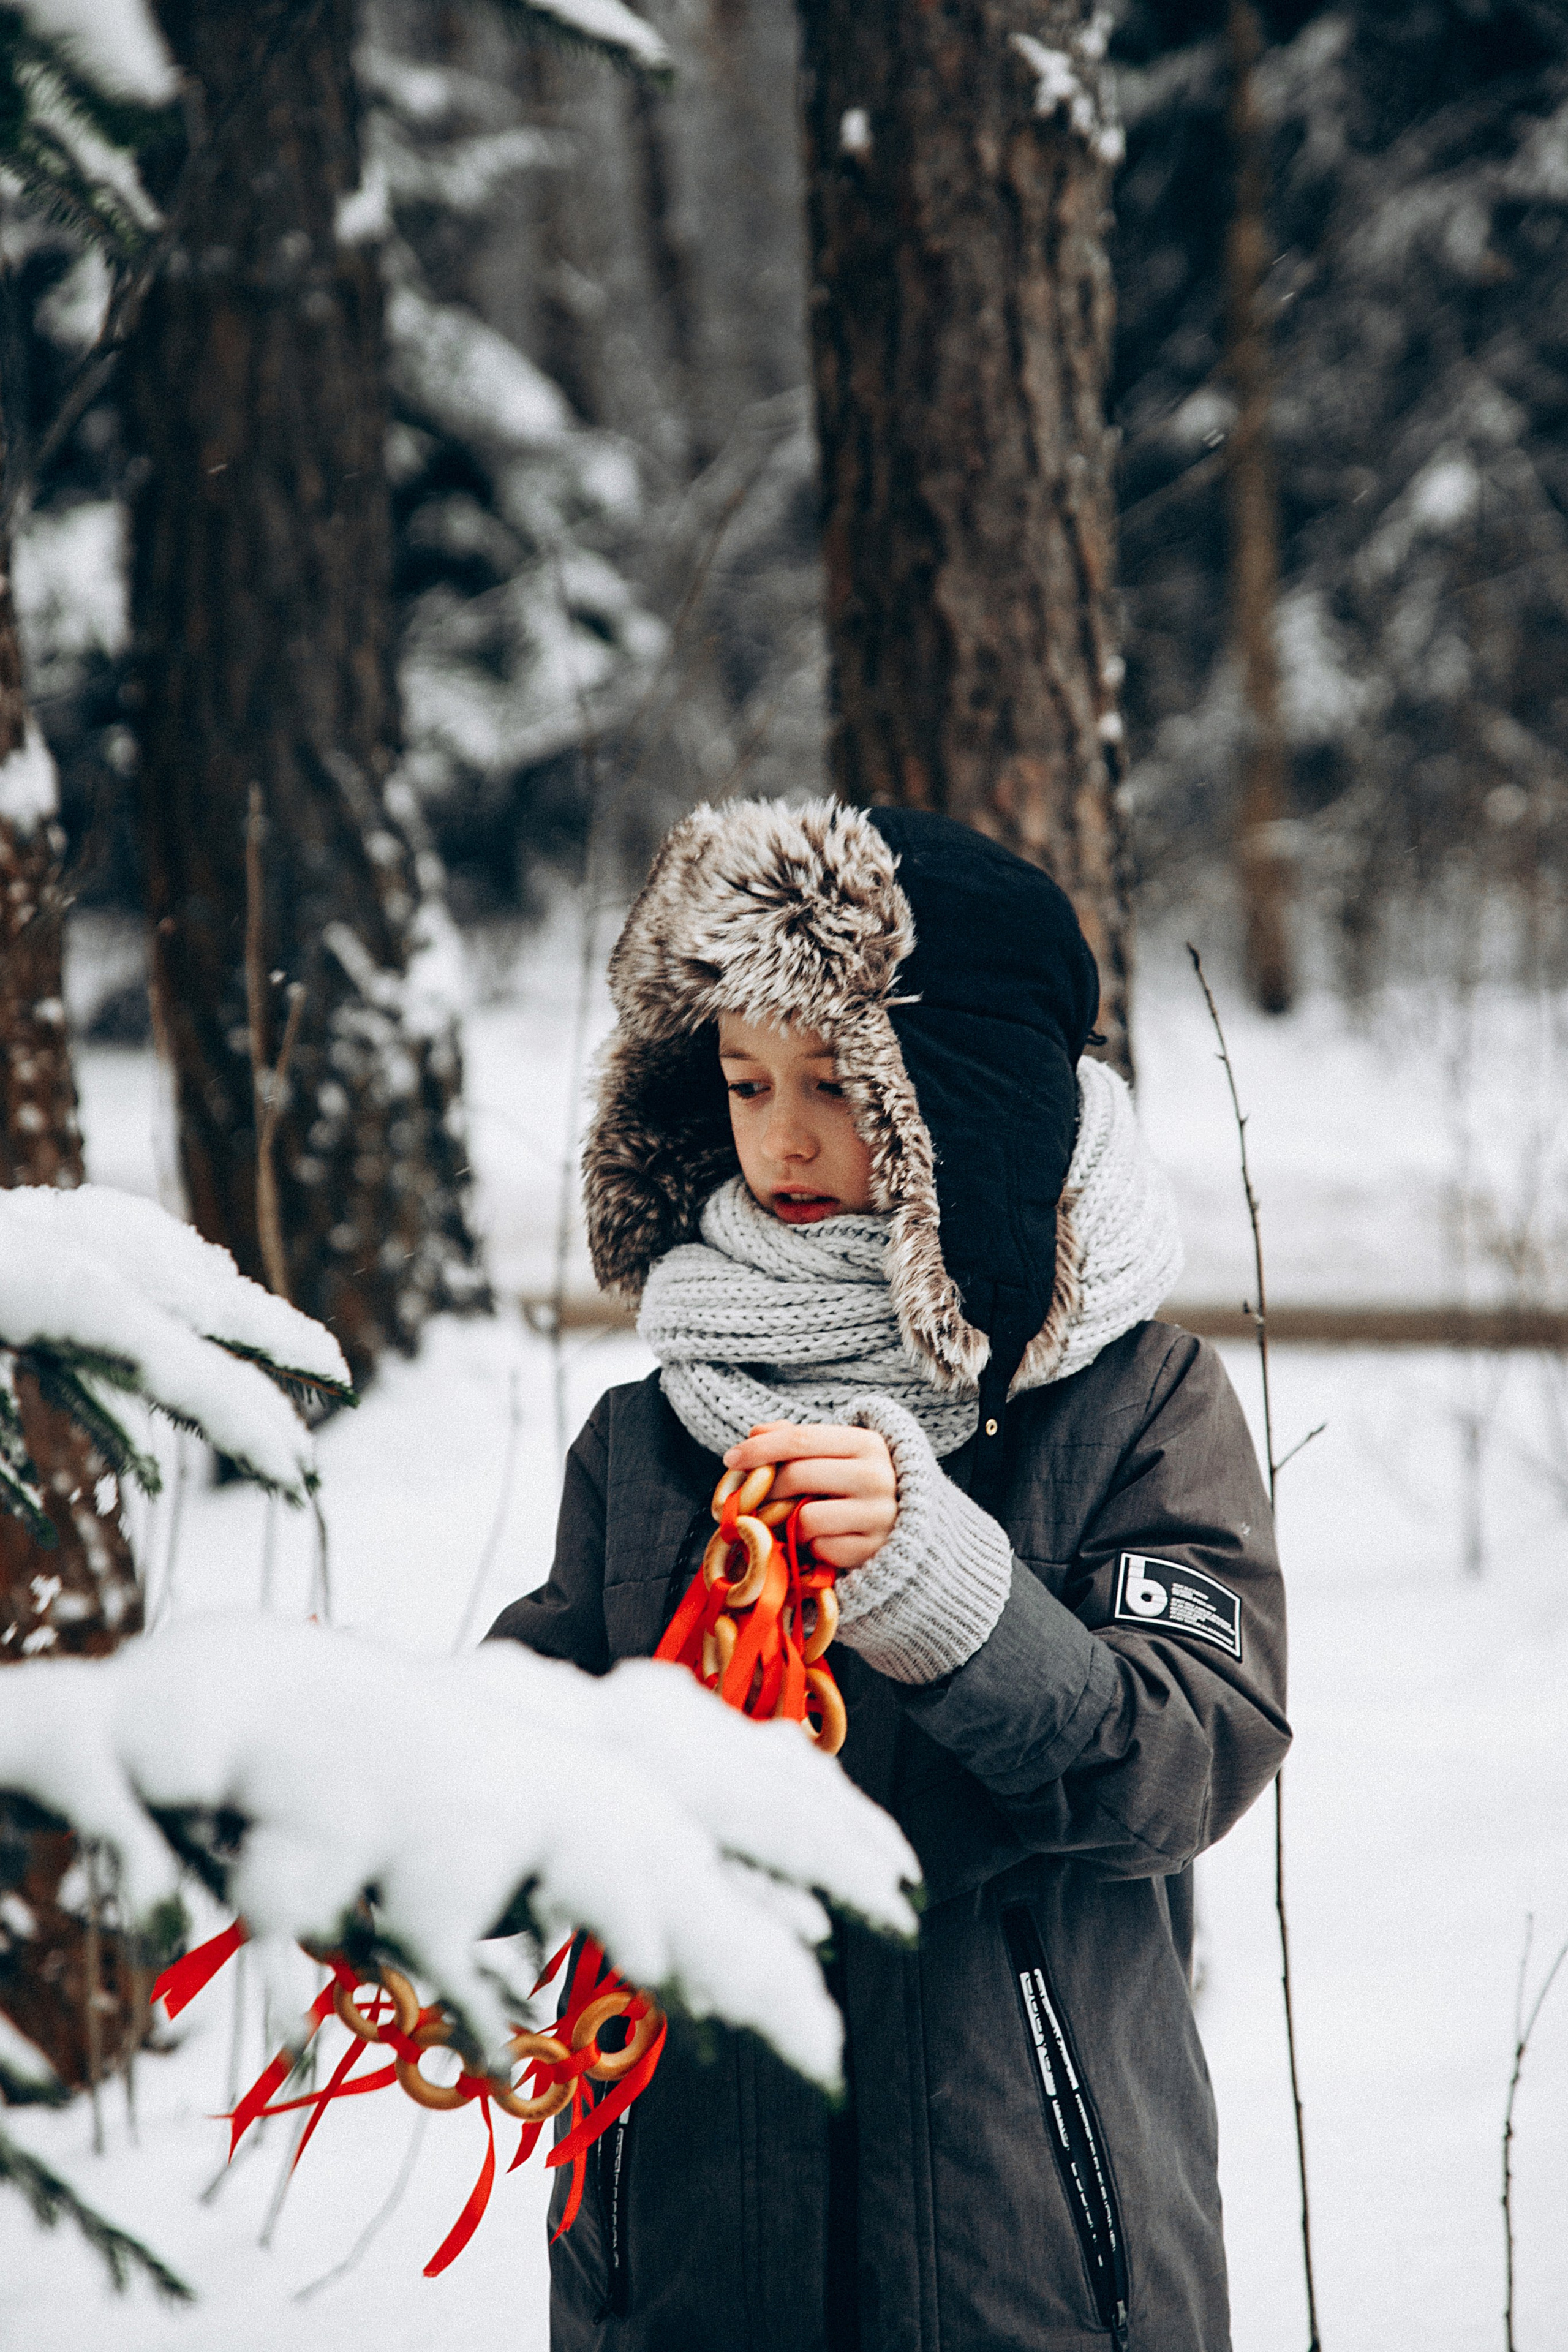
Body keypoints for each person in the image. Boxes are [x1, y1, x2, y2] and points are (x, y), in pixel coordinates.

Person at [489, 796, 1290, 2352]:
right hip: (694, 2273)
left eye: (841, 1088)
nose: (782, 1139)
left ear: (959, 1107)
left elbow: (1186, 1759)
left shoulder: (1137, 1404)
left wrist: (950, 1595)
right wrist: (403, 1801)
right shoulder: (651, 1436)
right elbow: (546, 1767)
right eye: (742, 1082)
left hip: (1035, 2264)